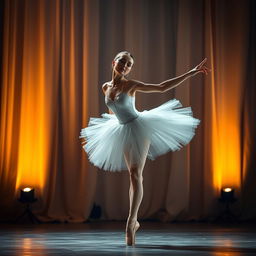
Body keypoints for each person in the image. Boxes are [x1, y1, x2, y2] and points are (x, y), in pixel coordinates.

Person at [79, 51, 210, 246]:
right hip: (121, 129)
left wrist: (190, 73)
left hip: (139, 127)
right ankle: (134, 221)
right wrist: (111, 128)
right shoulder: (105, 87)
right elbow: (112, 110)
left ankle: (131, 222)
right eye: (123, 61)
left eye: (129, 64)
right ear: (114, 62)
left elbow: (161, 87)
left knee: (135, 174)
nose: (125, 66)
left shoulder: (130, 85)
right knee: (132, 177)